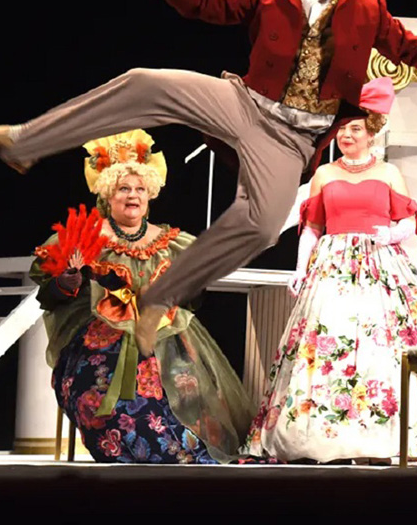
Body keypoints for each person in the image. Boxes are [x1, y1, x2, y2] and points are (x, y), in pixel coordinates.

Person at [0, 0, 417, 358]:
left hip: (292, 140)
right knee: (147, 82)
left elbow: (413, 48)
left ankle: (160, 300)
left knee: (262, 224)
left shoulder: (367, 9)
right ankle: (22, 143)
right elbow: (210, 2)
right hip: (245, 105)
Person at [244, 78, 417, 463]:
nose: (347, 135)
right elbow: (312, 227)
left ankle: (391, 432)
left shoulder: (388, 173)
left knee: (384, 347)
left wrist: (391, 234)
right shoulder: (325, 175)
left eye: (355, 128)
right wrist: (300, 268)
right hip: (334, 268)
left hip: (382, 264)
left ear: (371, 131)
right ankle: (329, 436)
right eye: (343, 128)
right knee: (330, 342)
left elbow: (408, 222)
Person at [30, 129, 254, 463]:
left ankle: (178, 451)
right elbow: (49, 296)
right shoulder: (88, 236)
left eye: (140, 189)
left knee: (187, 390)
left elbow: (194, 299)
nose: (132, 196)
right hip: (101, 337)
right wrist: (67, 281)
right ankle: (127, 450)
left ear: (150, 194)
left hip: (164, 337)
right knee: (99, 391)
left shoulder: (172, 242)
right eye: (124, 189)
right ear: (108, 195)